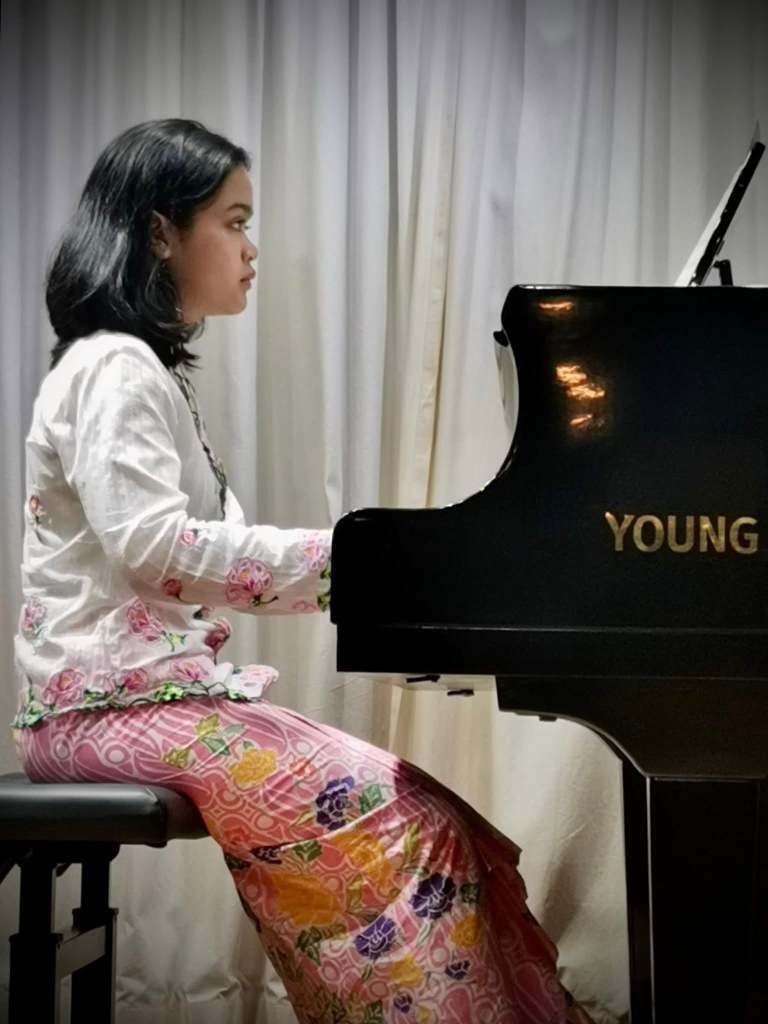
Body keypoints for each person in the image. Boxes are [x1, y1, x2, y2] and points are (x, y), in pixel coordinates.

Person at [11, 118, 594, 1024]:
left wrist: (368, 565)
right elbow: (157, 551)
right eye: (235, 222)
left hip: (140, 707)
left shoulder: (137, 371)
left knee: (439, 819)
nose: (252, 250)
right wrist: (356, 556)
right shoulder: (113, 366)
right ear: (161, 231)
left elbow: (192, 557)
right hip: (104, 714)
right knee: (416, 829)